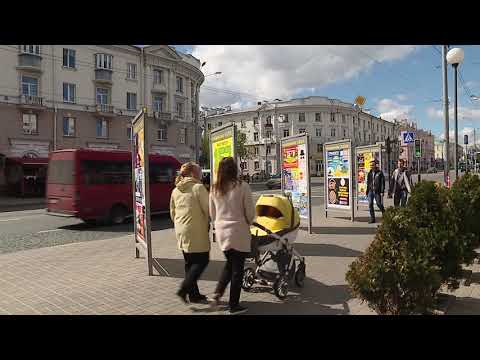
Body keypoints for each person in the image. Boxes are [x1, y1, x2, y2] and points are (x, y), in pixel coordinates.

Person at [209, 157, 255, 315]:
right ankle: (233, 306)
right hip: (238, 232)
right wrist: (250, 222)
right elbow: (250, 213)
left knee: (230, 265)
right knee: (237, 270)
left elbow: (212, 214)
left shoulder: (214, 189)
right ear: (235, 169)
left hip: (222, 232)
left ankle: (217, 293)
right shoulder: (242, 187)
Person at [170, 162, 210, 305]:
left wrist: (179, 224)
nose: (201, 174)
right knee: (202, 260)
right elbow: (208, 209)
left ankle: (194, 295)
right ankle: (184, 289)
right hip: (195, 230)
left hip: (181, 230)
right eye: (199, 171)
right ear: (193, 173)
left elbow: (172, 212)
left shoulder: (176, 190)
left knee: (190, 263)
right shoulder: (198, 187)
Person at [366, 159, 385, 224]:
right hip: (370, 191)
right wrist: (367, 191)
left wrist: (382, 191)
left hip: (377, 191)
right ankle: (372, 219)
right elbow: (368, 183)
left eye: (372, 165)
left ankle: (384, 213)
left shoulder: (379, 172)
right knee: (370, 204)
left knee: (378, 204)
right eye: (370, 165)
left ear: (375, 165)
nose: (371, 166)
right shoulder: (369, 173)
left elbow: (382, 182)